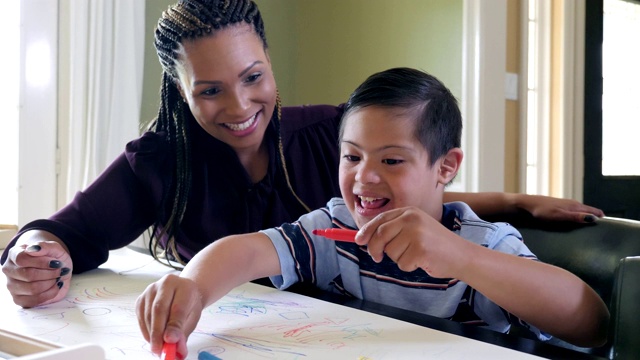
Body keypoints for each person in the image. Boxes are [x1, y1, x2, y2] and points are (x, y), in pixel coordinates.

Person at [1, 0, 603, 309]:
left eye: (253, 76)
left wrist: (516, 202)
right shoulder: (158, 162)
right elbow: (65, 232)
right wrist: (36, 253)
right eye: (209, 90)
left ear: (268, 57)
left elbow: (397, 196)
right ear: (181, 93)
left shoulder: (329, 136)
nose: (239, 105)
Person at [136, 67, 609, 359]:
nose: (365, 177)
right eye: (352, 156)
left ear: (445, 167)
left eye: (392, 160)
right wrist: (192, 286)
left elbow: (591, 324)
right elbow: (244, 252)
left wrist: (460, 258)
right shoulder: (333, 230)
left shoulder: (482, 243)